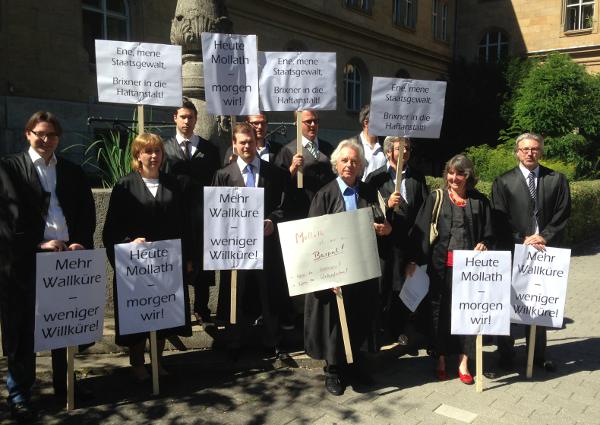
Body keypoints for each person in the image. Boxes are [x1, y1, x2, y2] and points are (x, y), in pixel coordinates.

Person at [1, 111, 96, 420]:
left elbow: (85, 211)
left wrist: (80, 240)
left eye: (52, 135)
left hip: (68, 260)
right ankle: (20, 392)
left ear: (58, 138)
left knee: (65, 325)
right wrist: (37, 244)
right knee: (23, 329)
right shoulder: (9, 168)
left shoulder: (71, 171)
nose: (45, 140)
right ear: (28, 134)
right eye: (40, 133)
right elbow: (7, 218)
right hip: (27, 261)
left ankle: (64, 384)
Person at [305, 138, 392, 396]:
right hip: (335, 274)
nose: (349, 165)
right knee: (335, 323)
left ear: (361, 165)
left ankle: (356, 367)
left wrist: (386, 229)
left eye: (354, 161)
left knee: (359, 321)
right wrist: (325, 274)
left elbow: (382, 223)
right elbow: (313, 237)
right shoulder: (325, 195)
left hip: (362, 271)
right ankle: (334, 371)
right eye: (345, 160)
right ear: (336, 164)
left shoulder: (368, 193)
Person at [103, 133, 192, 381]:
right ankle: (137, 363)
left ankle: (158, 361)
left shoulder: (173, 184)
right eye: (148, 152)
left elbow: (184, 224)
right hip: (137, 265)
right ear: (137, 156)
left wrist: (188, 257)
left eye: (158, 152)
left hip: (168, 264)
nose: (153, 156)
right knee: (139, 316)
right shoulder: (124, 186)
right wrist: (128, 243)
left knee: (163, 312)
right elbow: (110, 229)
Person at [410, 154, 494, 385]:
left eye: (460, 174)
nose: (454, 178)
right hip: (441, 270)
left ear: (469, 177)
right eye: (451, 173)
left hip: (470, 272)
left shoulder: (479, 201)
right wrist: (413, 260)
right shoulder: (436, 198)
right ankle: (441, 358)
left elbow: (489, 234)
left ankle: (463, 362)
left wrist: (484, 244)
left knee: (467, 315)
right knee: (441, 315)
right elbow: (420, 232)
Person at [492, 132, 571, 373]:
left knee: (538, 302)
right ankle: (505, 353)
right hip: (514, 250)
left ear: (541, 151)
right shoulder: (503, 181)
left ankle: (538, 355)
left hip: (545, 250)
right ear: (517, 152)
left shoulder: (556, 179)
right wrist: (522, 239)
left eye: (535, 149)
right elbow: (498, 218)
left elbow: (563, 212)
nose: (530, 153)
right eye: (525, 149)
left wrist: (544, 236)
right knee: (506, 304)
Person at [213, 123, 290, 359]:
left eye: (250, 141)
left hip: (266, 246)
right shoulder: (223, 175)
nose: (247, 146)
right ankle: (235, 339)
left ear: (257, 142)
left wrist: (272, 221)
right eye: (242, 142)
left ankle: (271, 339)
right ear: (234, 145)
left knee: (269, 293)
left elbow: (282, 207)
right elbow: (216, 211)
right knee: (236, 291)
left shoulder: (274, 173)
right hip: (235, 248)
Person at [162, 98, 220, 324]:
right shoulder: (165, 149)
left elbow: (216, 182)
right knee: (177, 262)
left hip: (202, 216)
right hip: (175, 216)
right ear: (175, 118)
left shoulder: (210, 150)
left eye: (191, 117)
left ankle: (202, 309)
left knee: (202, 264)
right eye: (183, 117)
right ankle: (179, 311)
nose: (187, 121)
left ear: (196, 119)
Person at [365, 136, 429, 344]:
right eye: (399, 149)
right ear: (388, 152)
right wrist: (388, 207)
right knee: (383, 288)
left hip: (409, 243)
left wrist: (416, 252)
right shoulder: (376, 178)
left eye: (408, 148)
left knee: (403, 289)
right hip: (385, 244)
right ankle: (378, 331)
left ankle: (398, 329)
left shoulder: (418, 178)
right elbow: (369, 208)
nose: (405, 152)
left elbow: (424, 212)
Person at [274, 110, 335, 220]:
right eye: (308, 121)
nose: (313, 125)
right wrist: (292, 169)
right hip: (300, 212)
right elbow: (277, 183)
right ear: (297, 123)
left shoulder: (328, 148)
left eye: (315, 121)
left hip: (326, 209)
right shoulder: (287, 151)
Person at [349, 104, 386, 181]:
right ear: (366, 123)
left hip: (381, 191)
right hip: (361, 191)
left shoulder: (385, 144)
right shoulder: (352, 144)